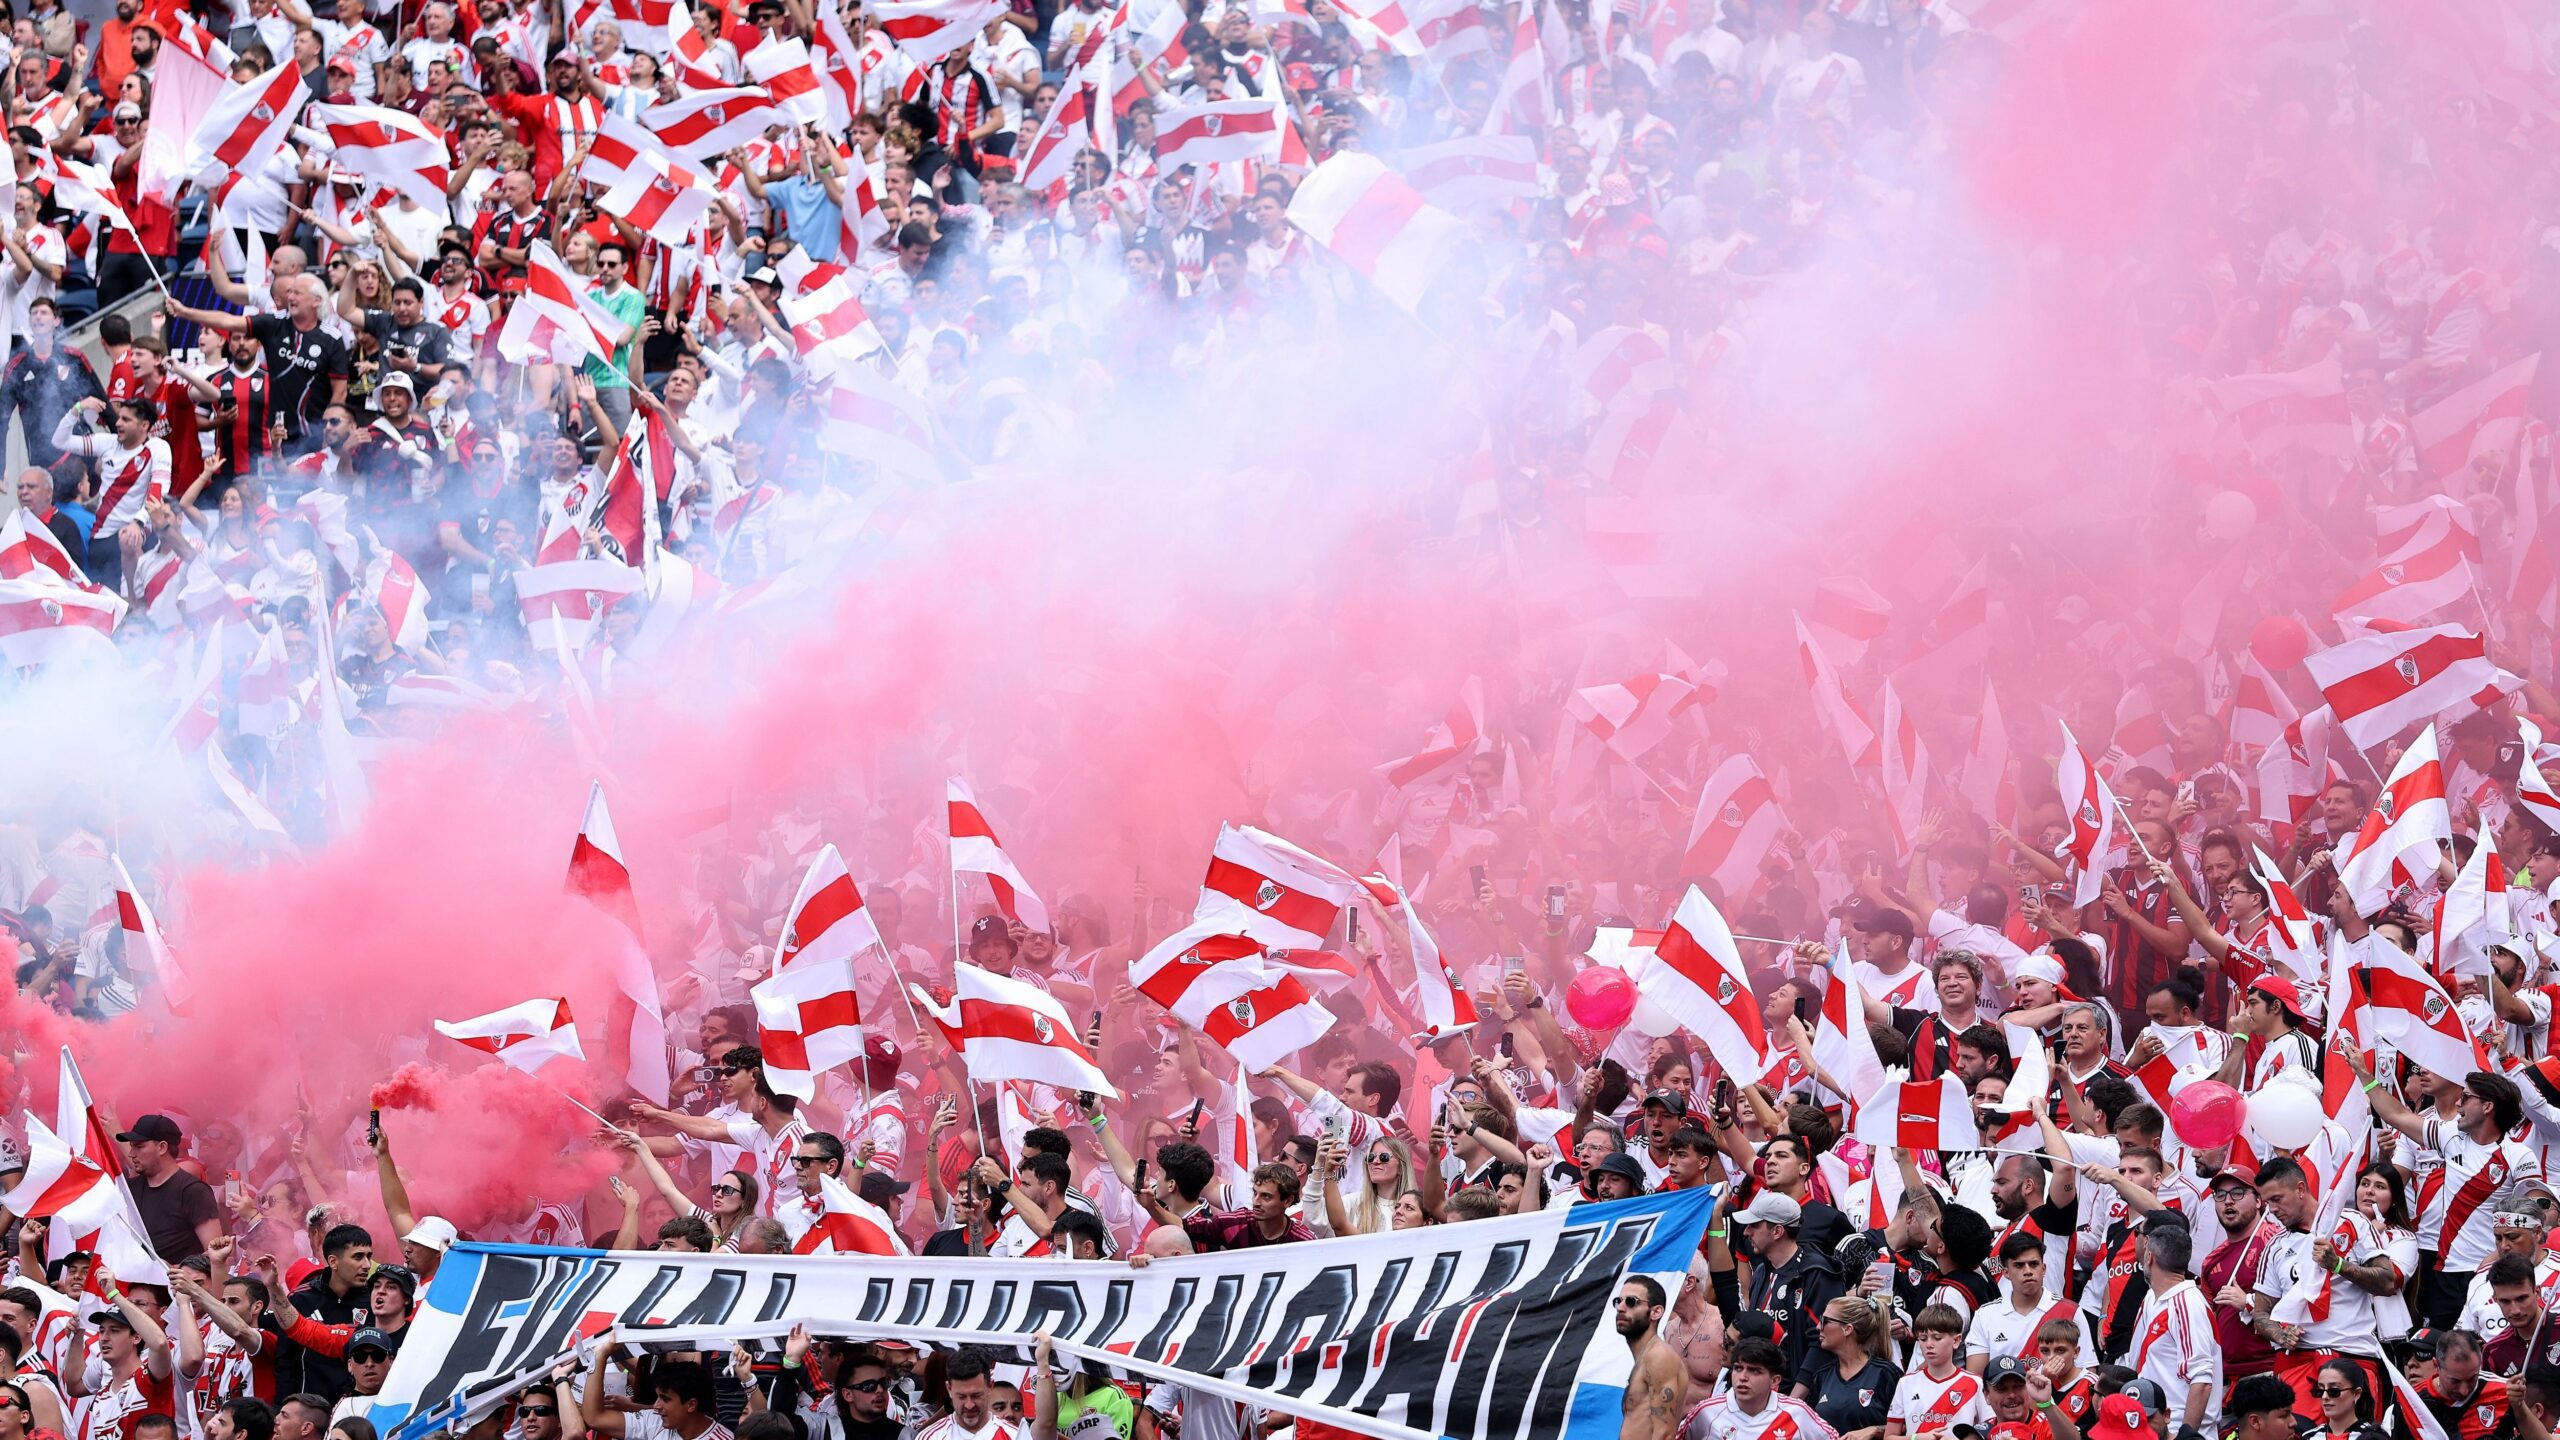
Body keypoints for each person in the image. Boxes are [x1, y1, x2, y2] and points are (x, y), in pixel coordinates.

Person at [1791, 1294, 1899, 1440]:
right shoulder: (1822, 1376)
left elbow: (1908, 1425)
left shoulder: (1885, 1374)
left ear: (1847, 1329)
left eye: (1825, 1321)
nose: (1818, 1327)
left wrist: (1875, 1430)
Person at [115, 1115, 220, 1264]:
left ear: (162, 1147)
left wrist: (178, 1270)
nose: (131, 1154)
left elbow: (215, 1254)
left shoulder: (193, 1191)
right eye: (131, 1146)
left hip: (175, 1279)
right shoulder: (129, 1189)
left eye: (139, 1146)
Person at [1686, 1337, 1831, 1440]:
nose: (1743, 1377)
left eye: (1754, 1371)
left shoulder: (1797, 1412)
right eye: (1738, 1368)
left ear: (1775, 1380)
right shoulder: (1706, 1412)